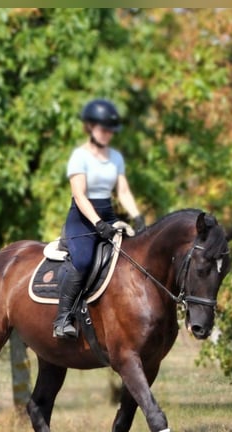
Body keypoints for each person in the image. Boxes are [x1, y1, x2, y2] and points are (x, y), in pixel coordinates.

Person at [52, 98, 146, 339]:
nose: (107, 134)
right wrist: (97, 224)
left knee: (134, 256)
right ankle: (63, 318)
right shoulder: (79, 156)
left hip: (108, 216)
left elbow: (122, 191)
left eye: (110, 131)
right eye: (103, 129)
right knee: (83, 261)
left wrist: (137, 216)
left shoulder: (115, 157)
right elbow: (79, 196)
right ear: (90, 127)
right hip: (82, 220)